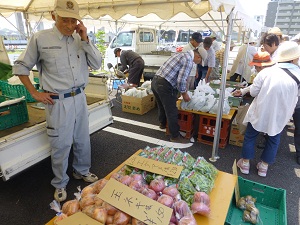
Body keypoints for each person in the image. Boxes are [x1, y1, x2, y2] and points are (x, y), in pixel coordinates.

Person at [12, 0, 102, 202]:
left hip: (79, 97)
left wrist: (85, 38)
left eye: (73, 21)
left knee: (82, 139)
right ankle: (60, 182)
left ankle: (82, 170)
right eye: (65, 20)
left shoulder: (81, 38)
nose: (70, 26)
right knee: (60, 144)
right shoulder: (41, 38)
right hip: (58, 101)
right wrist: (35, 93)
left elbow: (96, 64)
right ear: (54, 16)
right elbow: (20, 67)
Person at [236, 41, 300, 177]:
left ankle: (245, 164)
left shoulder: (267, 72)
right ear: (294, 58)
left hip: (261, 110)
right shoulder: (298, 75)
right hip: (281, 114)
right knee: (273, 139)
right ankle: (263, 167)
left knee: (250, 136)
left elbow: (253, 92)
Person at [151, 49, 202, 143]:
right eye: (200, 61)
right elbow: (181, 80)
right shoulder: (188, 60)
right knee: (172, 110)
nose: (198, 63)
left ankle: (163, 123)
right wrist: (184, 93)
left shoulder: (182, 54)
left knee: (162, 105)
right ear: (198, 56)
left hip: (155, 81)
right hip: (165, 84)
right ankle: (175, 136)